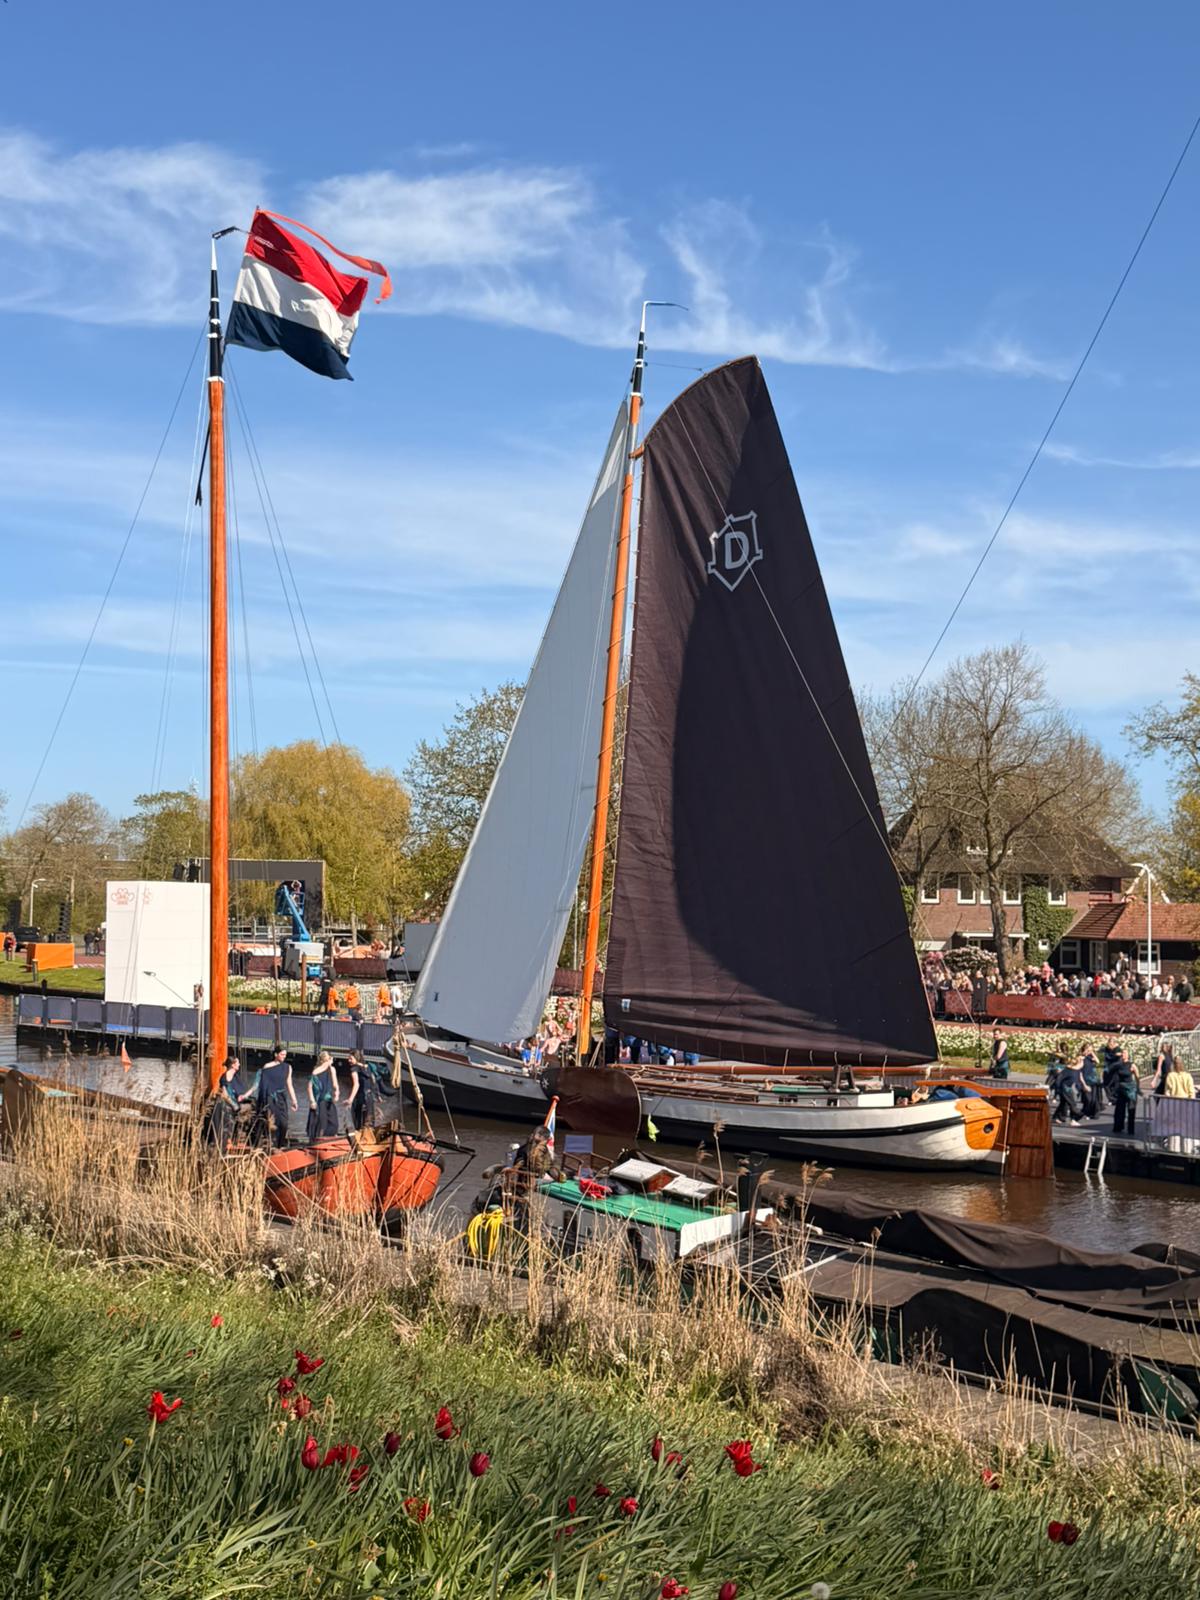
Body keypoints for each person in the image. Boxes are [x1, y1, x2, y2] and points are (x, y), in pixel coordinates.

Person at [242, 1048, 297, 1149]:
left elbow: (289, 1084)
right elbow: (257, 1084)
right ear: (276, 1054)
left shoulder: (288, 1067)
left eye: (285, 1055)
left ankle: (280, 1144)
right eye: (282, 1054)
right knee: (273, 1121)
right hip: (269, 1098)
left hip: (281, 1098)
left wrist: (294, 1100)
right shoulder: (267, 1067)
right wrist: (245, 1095)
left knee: (283, 1123)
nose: (284, 1057)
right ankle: (272, 1145)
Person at [204, 1054, 246, 1151]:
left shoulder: (236, 1077)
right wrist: (234, 1105)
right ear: (233, 1065)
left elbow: (240, 1091)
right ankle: (220, 1146)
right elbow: (224, 1094)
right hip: (224, 1106)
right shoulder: (224, 1077)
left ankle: (231, 1141)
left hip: (233, 1105)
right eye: (237, 1063)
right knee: (224, 1127)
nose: (239, 1064)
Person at [306, 1050, 340, 1141]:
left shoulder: (332, 1069)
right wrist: (312, 1101)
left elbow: (335, 1084)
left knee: (334, 1123)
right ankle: (318, 1140)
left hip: (328, 1099)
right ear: (326, 1059)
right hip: (319, 1100)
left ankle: (331, 1138)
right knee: (322, 1123)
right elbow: (309, 1088)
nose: (332, 1059)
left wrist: (336, 1093)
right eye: (330, 1058)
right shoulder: (315, 1072)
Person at [347, 1050, 383, 1131]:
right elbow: (373, 1081)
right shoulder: (368, 1067)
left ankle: (360, 1136)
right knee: (369, 1120)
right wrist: (378, 1095)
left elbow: (356, 1084)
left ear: (356, 1058)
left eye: (350, 1058)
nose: (348, 1060)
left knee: (358, 1121)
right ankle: (369, 1136)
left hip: (360, 1098)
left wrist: (350, 1099)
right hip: (369, 1097)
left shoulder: (354, 1069)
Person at [1107, 1049, 1140, 1137]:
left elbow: (1137, 1077)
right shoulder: (1119, 1065)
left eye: (1125, 1053)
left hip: (1130, 1089)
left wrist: (1138, 1088)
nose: (1123, 1054)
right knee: (1119, 1109)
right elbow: (1109, 1069)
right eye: (1123, 1053)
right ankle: (1118, 1127)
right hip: (1121, 1088)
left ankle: (1130, 1129)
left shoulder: (1132, 1065)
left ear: (1128, 1055)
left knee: (1131, 1109)